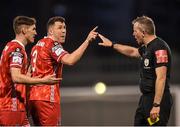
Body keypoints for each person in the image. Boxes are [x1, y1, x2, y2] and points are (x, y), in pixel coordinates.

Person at [98, 16, 172, 126]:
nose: (133, 34)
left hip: (156, 100)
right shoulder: (147, 48)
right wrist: (113, 45)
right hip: (145, 100)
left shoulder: (159, 48)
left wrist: (156, 105)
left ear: (143, 32)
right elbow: (132, 51)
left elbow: (161, 78)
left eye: (135, 31)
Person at [28, 16, 98, 126]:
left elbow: (29, 72)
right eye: (59, 28)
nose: (64, 31)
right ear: (51, 31)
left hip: (33, 98)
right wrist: (87, 41)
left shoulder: (36, 45)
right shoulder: (52, 44)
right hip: (47, 98)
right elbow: (70, 60)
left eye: (65, 27)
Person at [0, 16, 61, 126]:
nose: (36, 33)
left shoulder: (10, 46)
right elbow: (16, 77)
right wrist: (43, 81)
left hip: (17, 107)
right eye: (33, 29)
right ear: (24, 30)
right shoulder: (16, 49)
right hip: (11, 107)